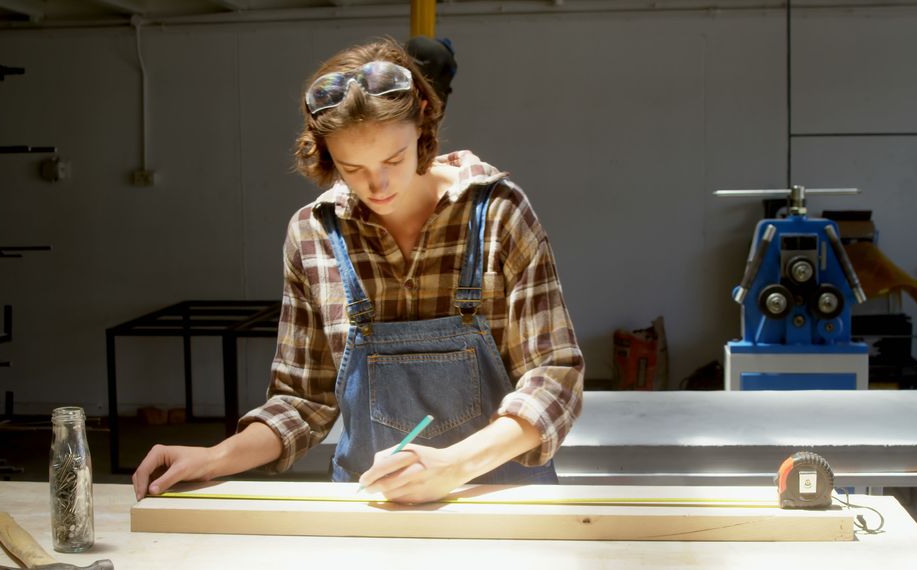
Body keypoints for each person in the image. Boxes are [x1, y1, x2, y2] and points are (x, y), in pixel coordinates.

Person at [132, 37, 584, 504]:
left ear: (424, 122)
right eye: (353, 168)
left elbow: (555, 377)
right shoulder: (314, 234)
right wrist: (215, 458)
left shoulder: (497, 214)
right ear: (326, 156)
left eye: (394, 159)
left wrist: (454, 466)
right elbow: (302, 401)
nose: (378, 184)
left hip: (499, 502)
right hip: (373, 509)